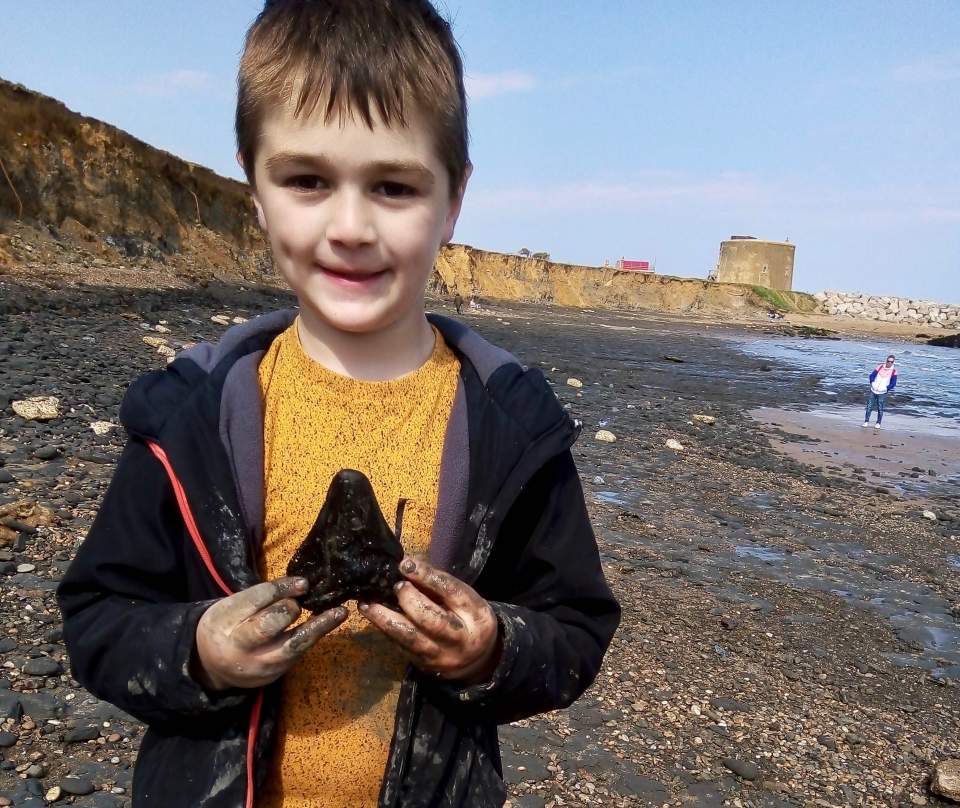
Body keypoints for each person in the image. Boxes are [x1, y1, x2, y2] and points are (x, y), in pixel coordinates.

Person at [56, 3, 620, 807]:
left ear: (453, 198)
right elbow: (97, 617)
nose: (349, 226)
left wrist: (491, 647)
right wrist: (199, 648)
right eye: (307, 180)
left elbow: (575, 627)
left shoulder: (513, 428)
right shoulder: (187, 420)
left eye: (393, 186)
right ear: (255, 185)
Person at [862, 353, 898, 429]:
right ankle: (866, 421)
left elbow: (893, 383)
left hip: (883, 392)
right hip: (873, 390)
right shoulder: (880, 367)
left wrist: (887, 388)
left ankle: (878, 423)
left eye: (892, 362)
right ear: (886, 360)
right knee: (869, 406)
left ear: (893, 362)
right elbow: (872, 375)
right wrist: (872, 383)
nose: (890, 363)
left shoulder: (894, 371)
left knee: (880, 408)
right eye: (888, 361)